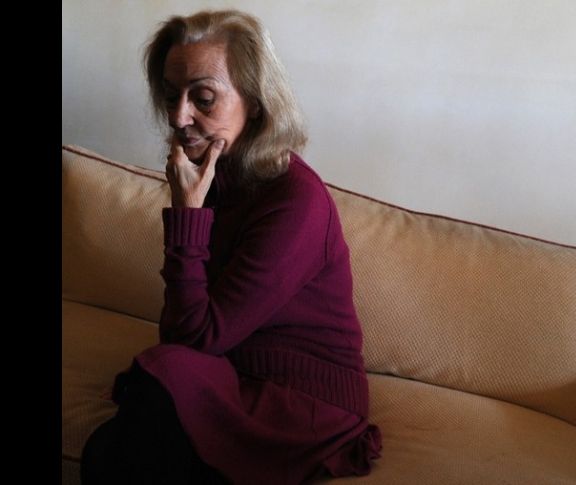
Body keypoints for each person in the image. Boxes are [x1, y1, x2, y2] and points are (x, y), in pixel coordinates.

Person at [80, 9, 382, 484]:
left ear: (256, 103)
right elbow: (183, 331)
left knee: (148, 400)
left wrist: (186, 217)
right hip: (231, 369)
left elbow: (194, 339)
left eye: (203, 98)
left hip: (302, 399)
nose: (179, 117)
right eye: (171, 95)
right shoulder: (212, 178)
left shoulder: (295, 201)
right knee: (112, 444)